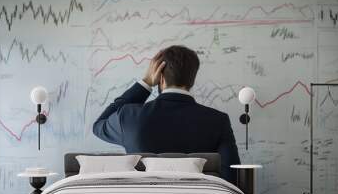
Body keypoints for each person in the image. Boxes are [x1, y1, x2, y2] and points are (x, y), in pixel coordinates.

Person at [93, 45, 240, 184]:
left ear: (161, 78)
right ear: (192, 80)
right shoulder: (218, 121)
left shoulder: (129, 116)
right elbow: (231, 177)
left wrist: (145, 83)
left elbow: (99, 125)